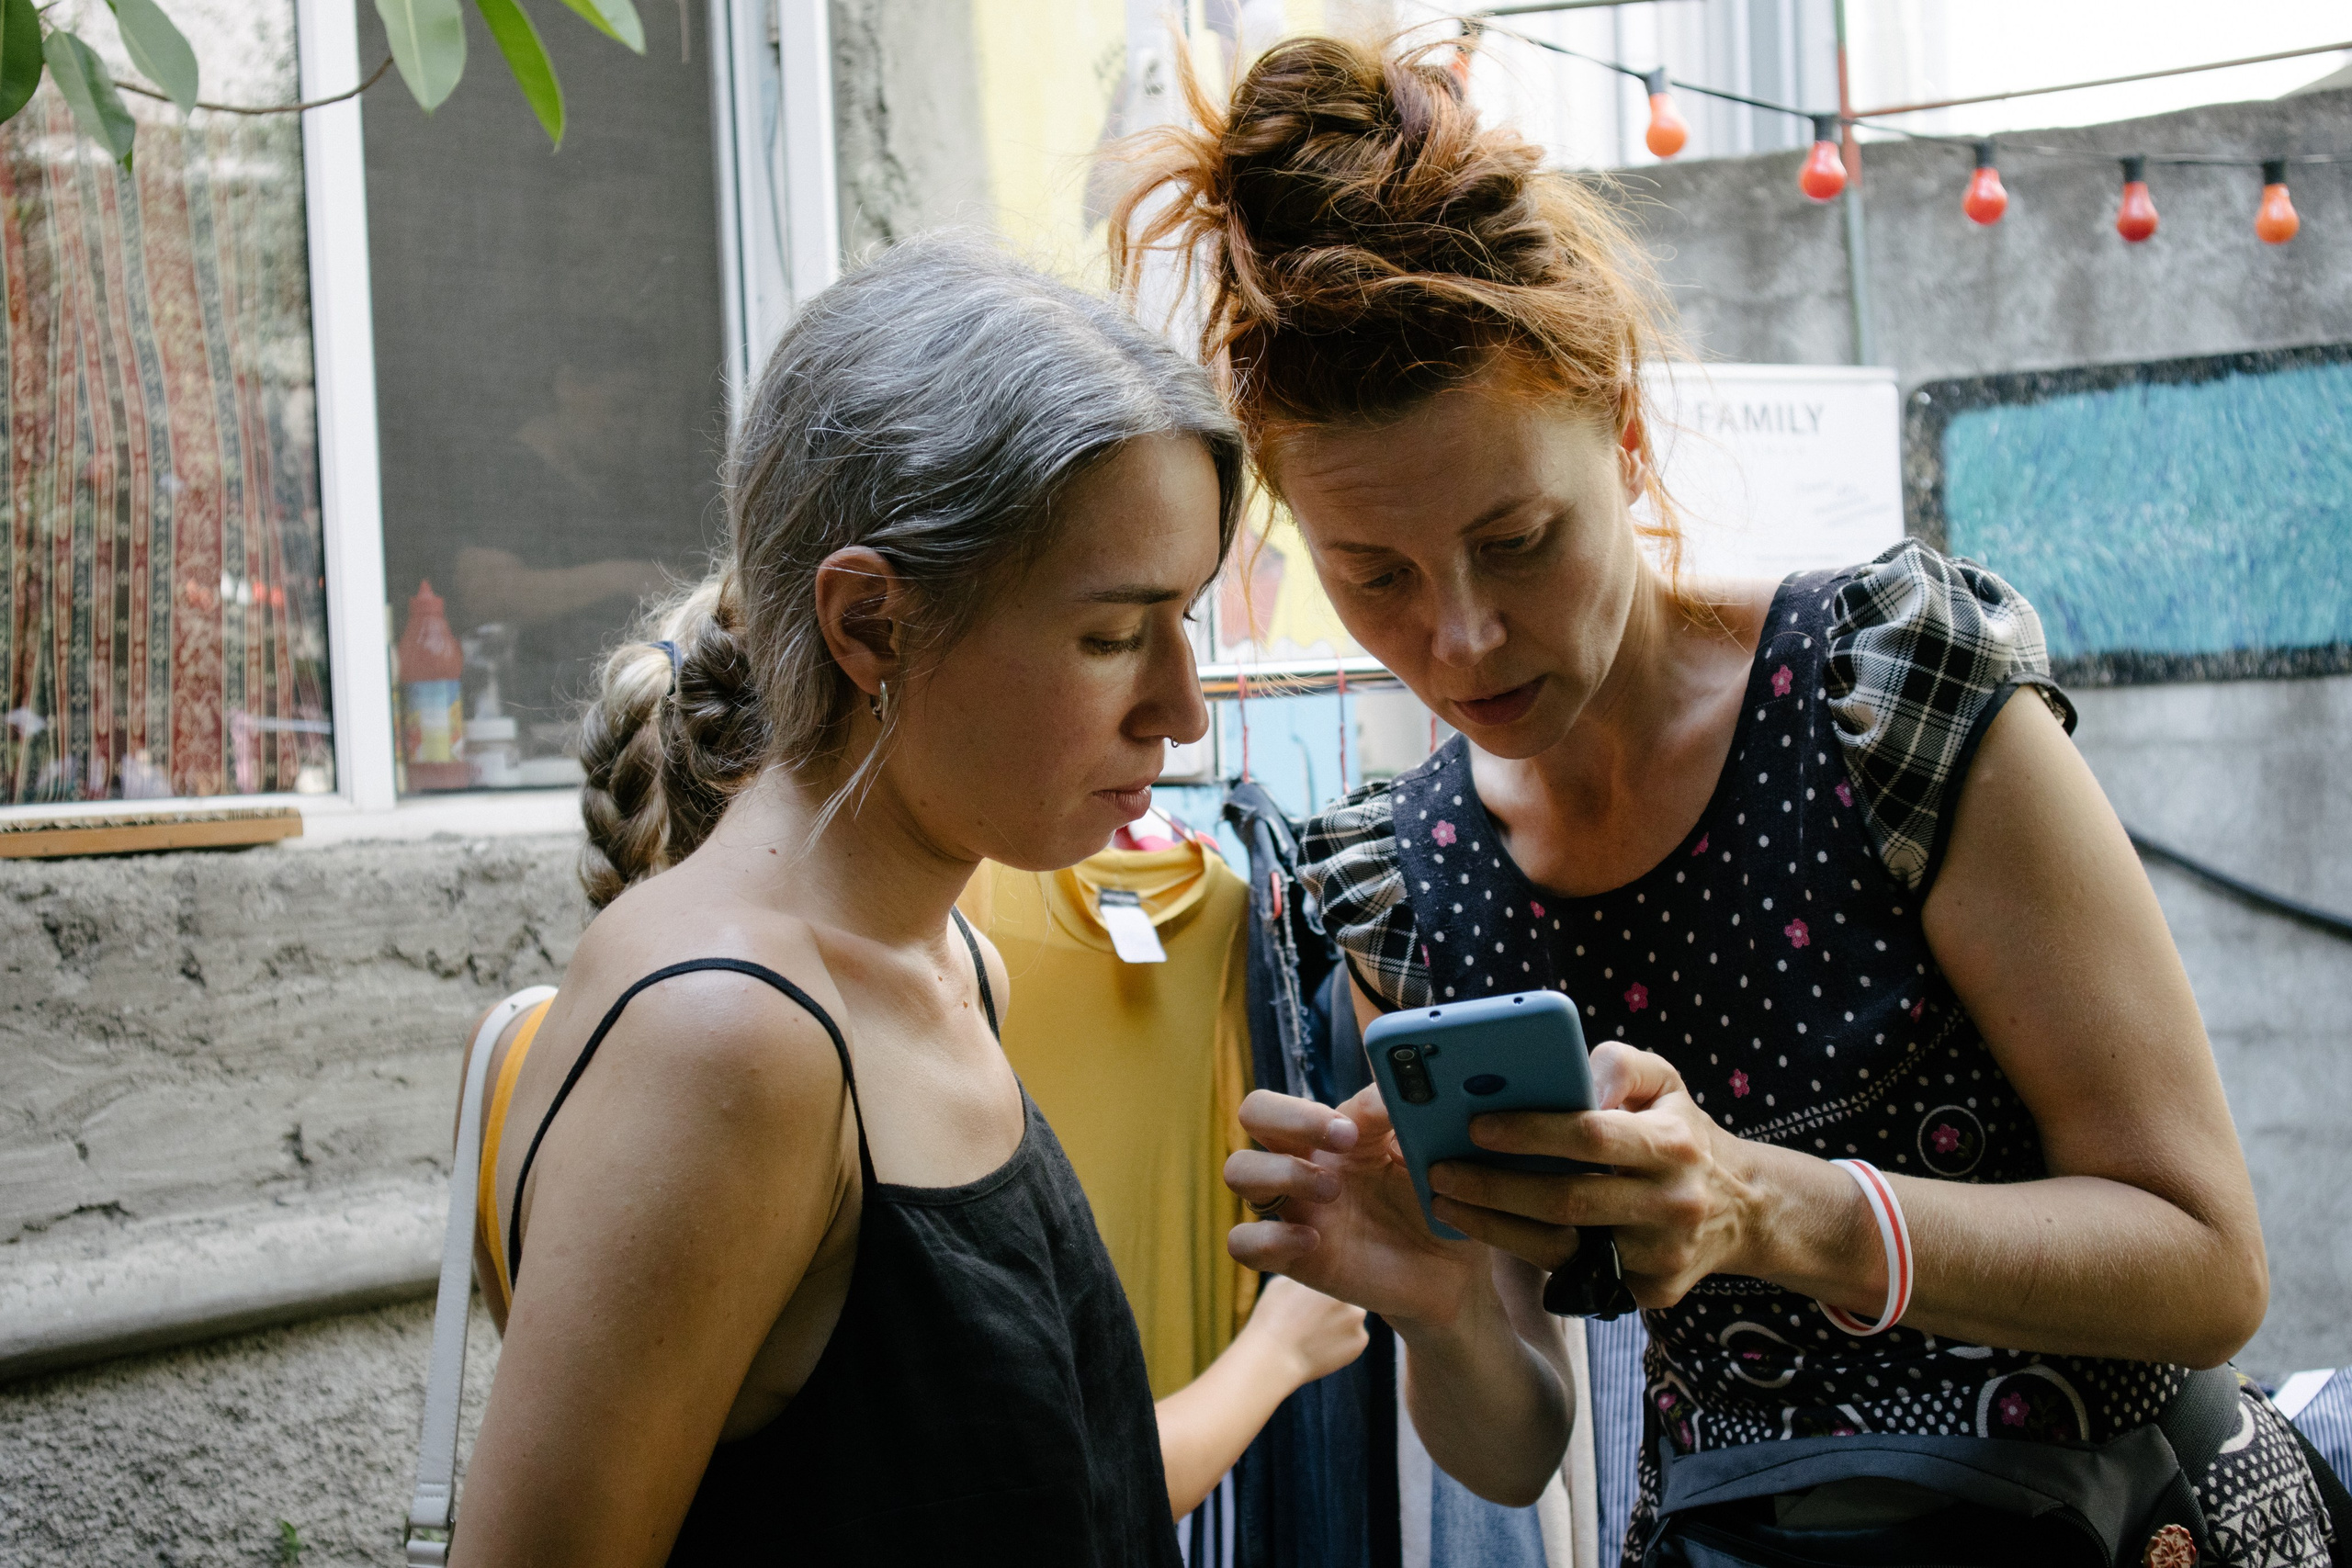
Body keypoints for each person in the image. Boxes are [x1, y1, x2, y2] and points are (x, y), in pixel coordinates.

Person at [1114, 33, 2339, 1568]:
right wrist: (1438, 1307)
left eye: (1518, 541)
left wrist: (1766, 1209)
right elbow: (1519, 1444)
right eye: (1377, 577)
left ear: (1624, 434)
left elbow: (2209, 1262)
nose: (1461, 638)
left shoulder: (1888, 697)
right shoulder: (1407, 888)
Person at [446, 236, 1363, 1567]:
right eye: (1113, 636)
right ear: (872, 624)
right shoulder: (728, 1040)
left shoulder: (953, 961)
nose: (1181, 710)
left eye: (1186, 625)